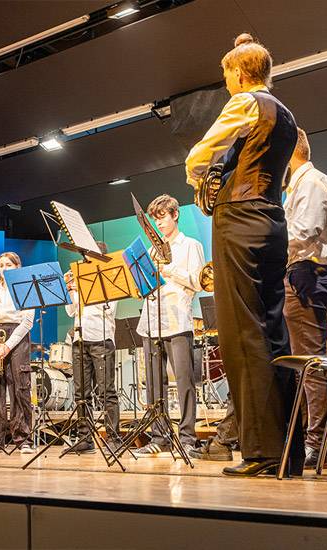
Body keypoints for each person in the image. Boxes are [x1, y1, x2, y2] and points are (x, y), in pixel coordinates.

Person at [185, 33, 302, 476]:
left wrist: (200, 174)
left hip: (239, 218)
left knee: (242, 335)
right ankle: (286, 449)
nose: (226, 83)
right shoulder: (286, 114)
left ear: (237, 73)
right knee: (272, 331)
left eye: (226, 75)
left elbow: (199, 155)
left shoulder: (246, 102)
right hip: (270, 221)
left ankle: (261, 452)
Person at [283, 127, 327, 470]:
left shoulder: (311, 182)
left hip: (309, 273)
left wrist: (268, 246)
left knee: (310, 365)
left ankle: (317, 444)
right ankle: (320, 445)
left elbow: (303, 233)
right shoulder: (301, 183)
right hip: (302, 272)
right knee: (302, 366)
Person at [133, 194, 205, 457]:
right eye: (155, 218)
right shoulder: (153, 249)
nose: (159, 222)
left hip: (178, 320)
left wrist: (169, 270)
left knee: (185, 383)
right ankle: (159, 437)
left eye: (162, 216)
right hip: (152, 321)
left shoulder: (191, 245)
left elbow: (199, 283)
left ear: (175, 215)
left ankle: (187, 438)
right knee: (154, 385)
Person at [64, 242, 120, 454]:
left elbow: (109, 308)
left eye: (91, 256)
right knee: (81, 393)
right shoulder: (79, 276)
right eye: (86, 255)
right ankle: (84, 438)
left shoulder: (109, 277)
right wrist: (70, 290)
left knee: (107, 391)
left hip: (101, 338)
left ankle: (114, 438)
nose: (87, 259)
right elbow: (71, 311)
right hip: (80, 338)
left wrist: (84, 287)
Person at [0, 252, 35, 453]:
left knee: (20, 388)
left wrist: (8, 345)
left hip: (17, 337)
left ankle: (23, 439)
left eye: (8, 265)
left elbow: (27, 321)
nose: (3, 268)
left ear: (17, 267)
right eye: (1, 265)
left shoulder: (25, 287)